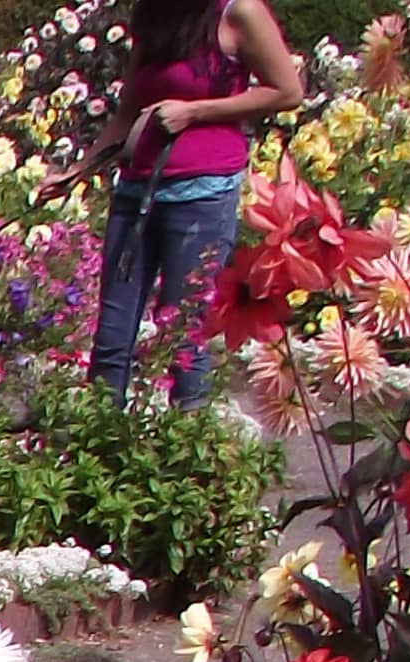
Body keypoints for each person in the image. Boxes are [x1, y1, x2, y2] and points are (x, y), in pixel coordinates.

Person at [88, 0, 300, 406]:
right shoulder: (154, 14)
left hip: (201, 195)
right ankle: (94, 449)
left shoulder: (238, 12)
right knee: (112, 336)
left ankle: (187, 455)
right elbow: (127, 112)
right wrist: (77, 169)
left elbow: (288, 90)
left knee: (183, 336)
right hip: (137, 190)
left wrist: (196, 112)